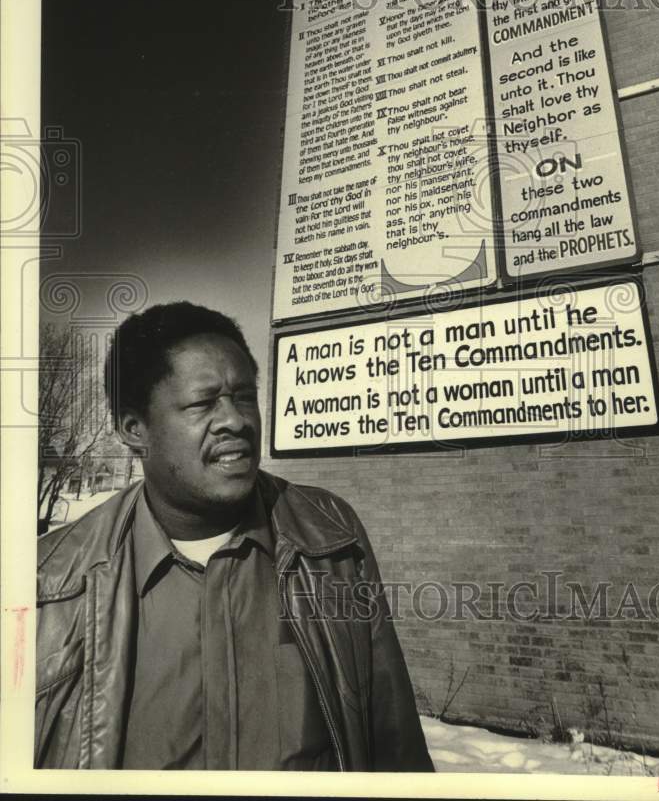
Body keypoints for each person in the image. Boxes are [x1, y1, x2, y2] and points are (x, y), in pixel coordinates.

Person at [35, 301, 434, 772]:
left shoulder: (331, 540)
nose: (236, 420)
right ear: (134, 429)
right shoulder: (51, 583)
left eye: (244, 397)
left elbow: (395, 743)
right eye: (204, 403)